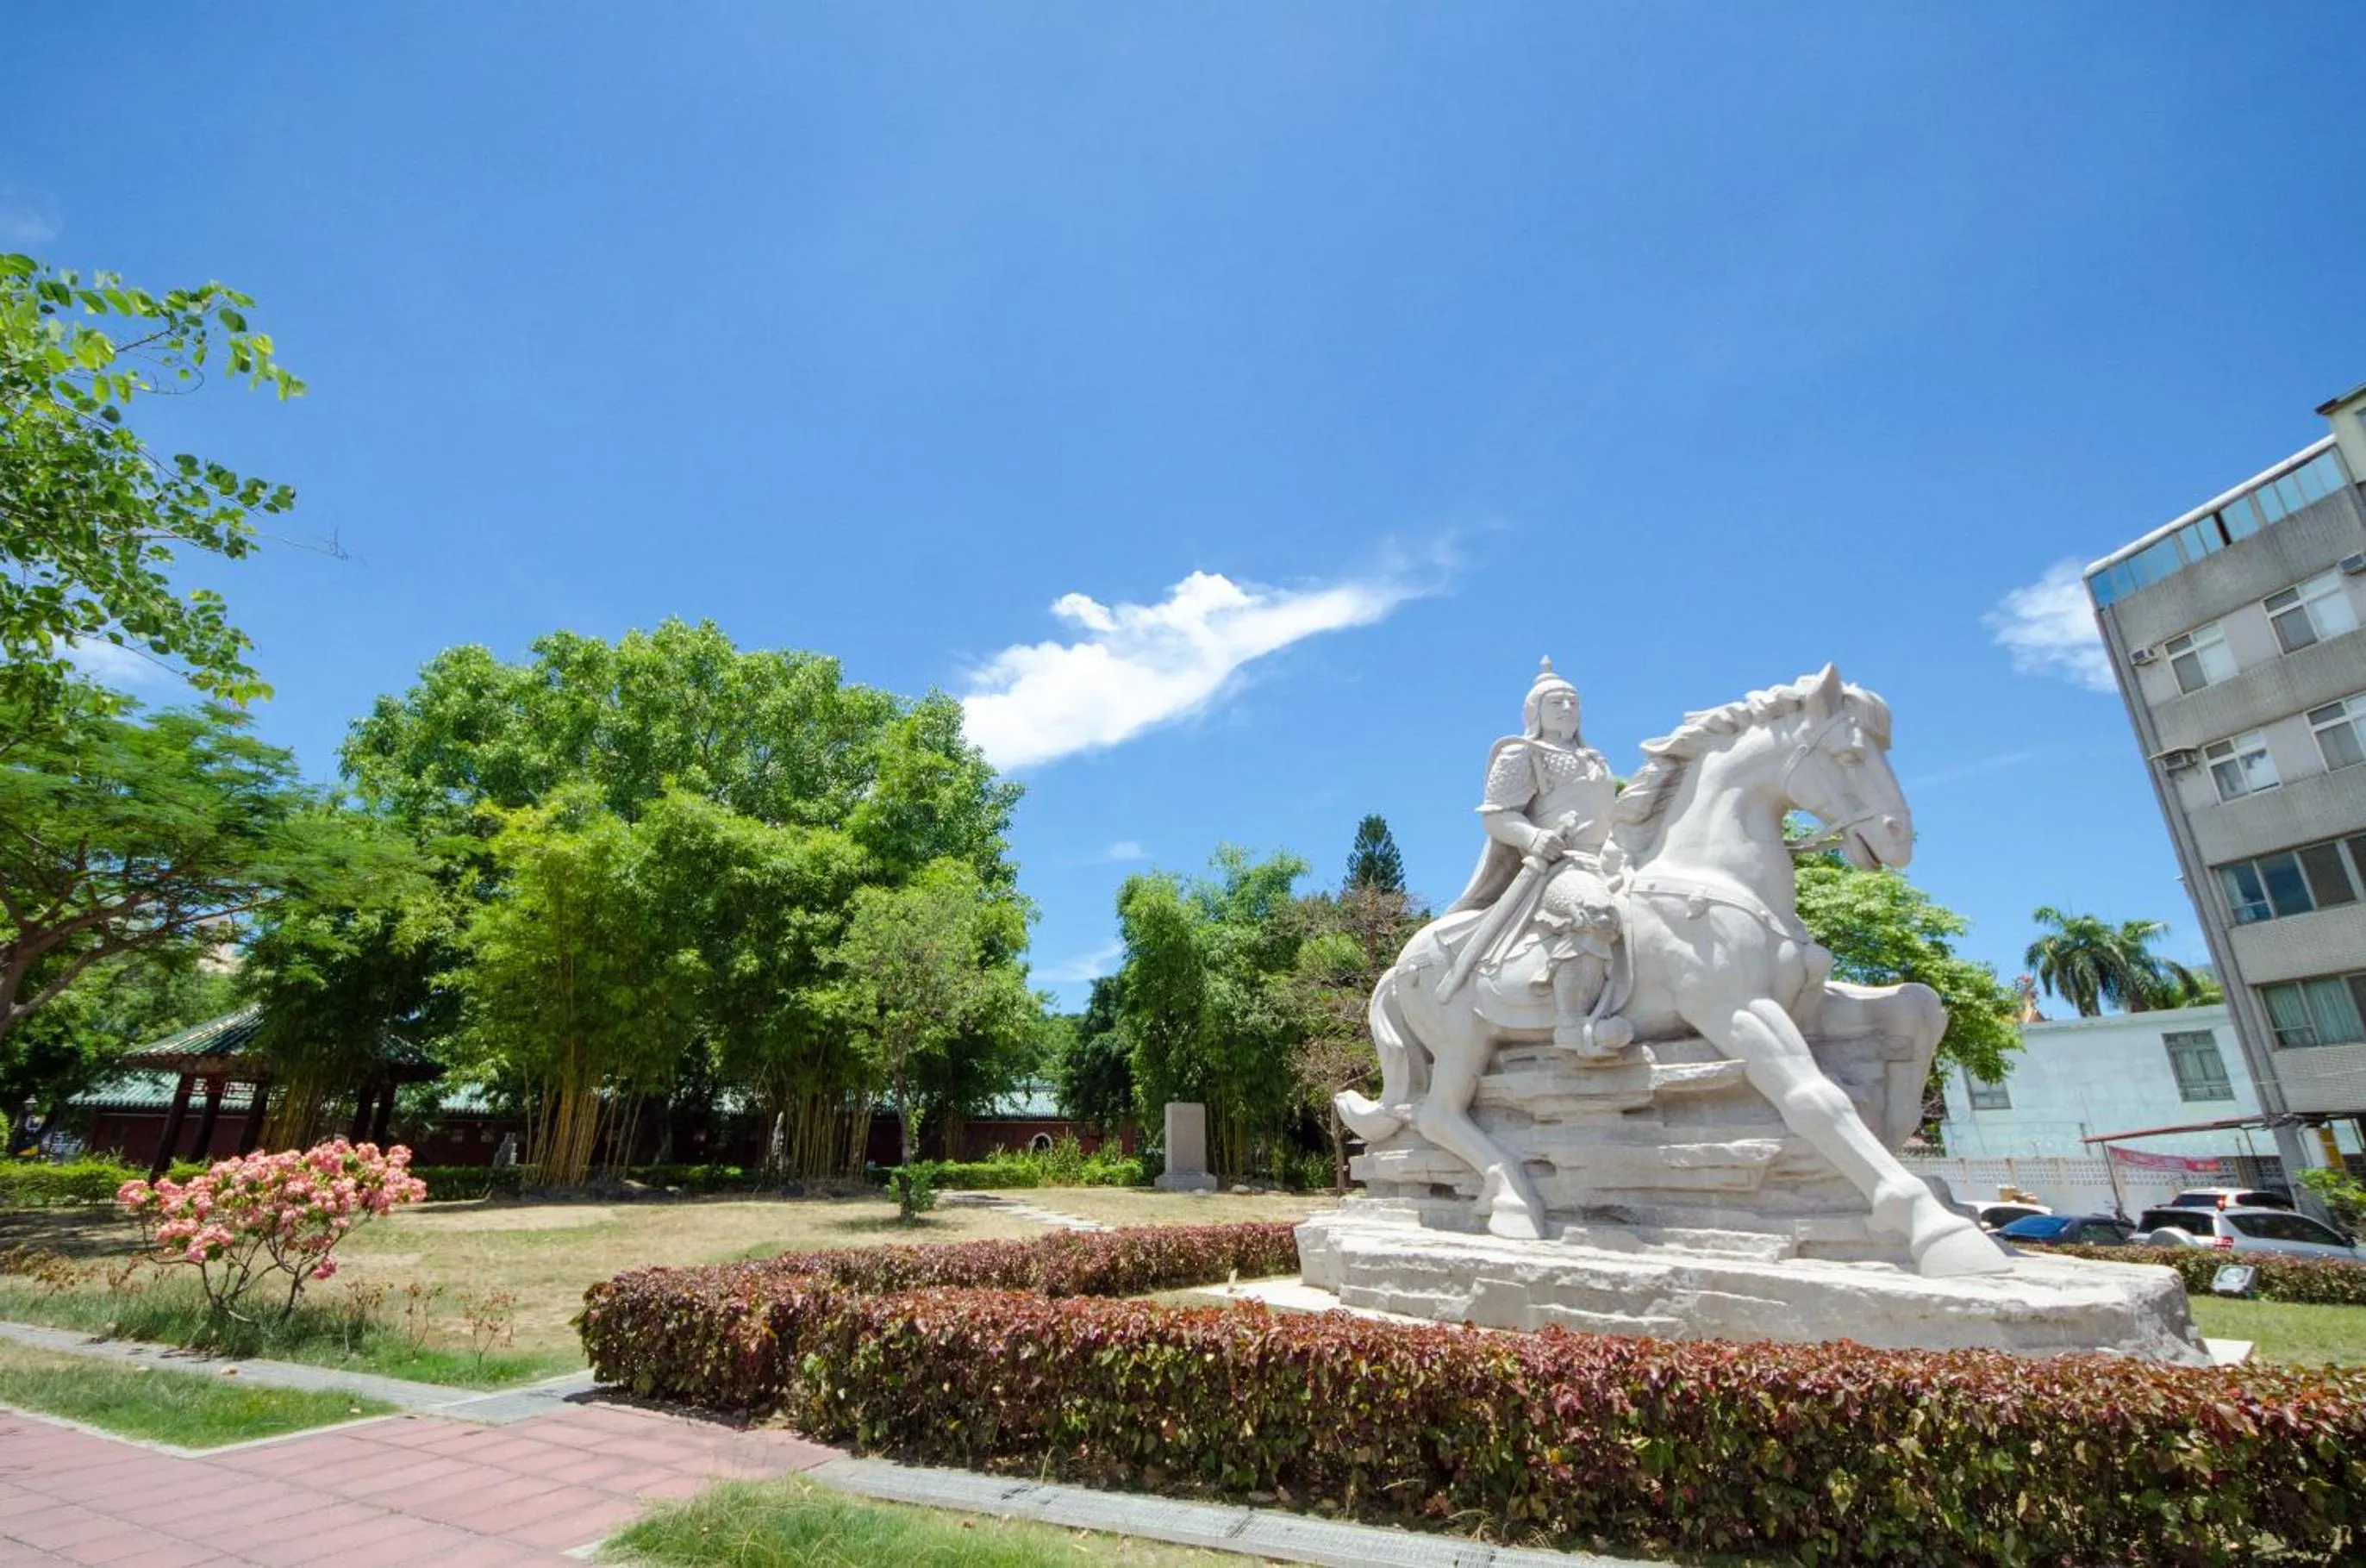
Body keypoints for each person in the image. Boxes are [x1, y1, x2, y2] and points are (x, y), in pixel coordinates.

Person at [1446, 658, 1632, 1055]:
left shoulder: (1596, 760)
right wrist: (1533, 837)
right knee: (1590, 910)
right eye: (1557, 703)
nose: (1567, 708)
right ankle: (1572, 1024)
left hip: (1613, 860)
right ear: (1535, 712)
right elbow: (1496, 816)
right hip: (1564, 866)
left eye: (1573, 702)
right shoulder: (1521, 754)